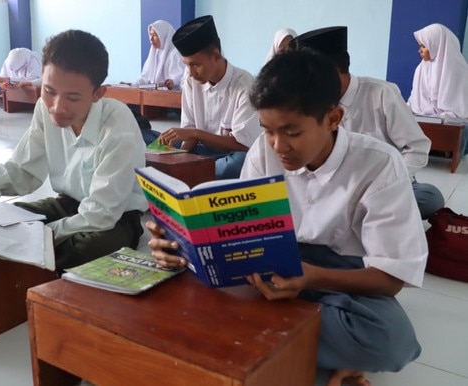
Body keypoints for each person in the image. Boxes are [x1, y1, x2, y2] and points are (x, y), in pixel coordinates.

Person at [147, 49, 427, 386]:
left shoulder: (379, 165)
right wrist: (178, 244)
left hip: (342, 274)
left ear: (334, 118)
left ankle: (272, 343)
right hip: (270, 262)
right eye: (268, 131)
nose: (278, 146)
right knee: (183, 295)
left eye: (292, 132)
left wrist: (310, 278)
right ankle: (315, 356)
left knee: (390, 340)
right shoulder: (263, 152)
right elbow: (237, 232)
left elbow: (390, 278)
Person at [0, 29, 148, 272]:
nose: (57, 107)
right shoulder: (44, 110)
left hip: (117, 218)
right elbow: (23, 170)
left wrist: (41, 235)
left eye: (73, 98)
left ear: (98, 94)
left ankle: (21, 275)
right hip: (68, 204)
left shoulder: (118, 127)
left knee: (87, 248)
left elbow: (102, 214)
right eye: (49, 91)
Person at [291, 26, 444, 219]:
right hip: (332, 188)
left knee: (430, 197)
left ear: (333, 71)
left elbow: (417, 147)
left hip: (383, 185)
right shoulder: (310, 101)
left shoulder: (381, 94)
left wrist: (384, 184)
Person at [158, 15, 262, 179]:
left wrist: (196, 134)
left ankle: (192, 172)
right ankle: (192, 170)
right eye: (186, 65)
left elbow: (243, 145)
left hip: (231, 155)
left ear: (216, 56)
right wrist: (180, 155)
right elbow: (188, 130)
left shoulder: (244, 85)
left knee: (239, 164)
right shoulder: (191, 80)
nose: (191, 73)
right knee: (159, 140)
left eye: (196, 64)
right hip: (200, 150)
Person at [407, 23, 468, 155]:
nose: (420, 51)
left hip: (447, 127)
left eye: (424, 46)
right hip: (421, 121)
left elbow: (460, 111)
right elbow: (413, 99)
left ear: (437, 45)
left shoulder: (459, 71)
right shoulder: (421, 69)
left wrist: (441, 117)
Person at [124, 20, 185, 90]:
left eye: (155, 35)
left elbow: (181, 78)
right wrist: (132, 85)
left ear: (164, 35)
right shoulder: (154, 53)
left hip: (172, 96)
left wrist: (172, 82)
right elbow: (145, 78)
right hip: (155, 95)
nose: (151, 39)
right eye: (150, 34)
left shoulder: (175, 54)